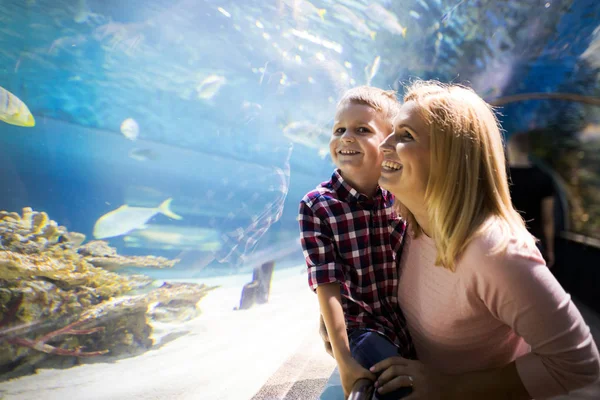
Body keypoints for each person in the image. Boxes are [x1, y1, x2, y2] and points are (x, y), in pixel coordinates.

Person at [321, 80, 599, 399]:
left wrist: (448, 387)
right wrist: (341, 321)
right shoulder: (404, 227)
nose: (385, 144)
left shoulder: (496, 253)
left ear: (451, 157)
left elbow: (579, 363)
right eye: (391, 131)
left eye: (405, 136)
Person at [298, 86, 415, 399]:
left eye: (362, 129)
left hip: (407, 321)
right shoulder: (317, 205)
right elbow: (326, 283)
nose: (346, 137)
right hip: (359, 327)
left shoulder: (401, 196)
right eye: (339, 129)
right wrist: (344, 359)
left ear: (389, 141)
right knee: (395, 387)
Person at [506, 131, 556, 267]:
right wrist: (550, 250)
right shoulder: (544, 178)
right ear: (528, 150)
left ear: (509, 148)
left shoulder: (500, 177)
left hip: (505, 242)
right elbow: (548, 219)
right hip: (534, 243)